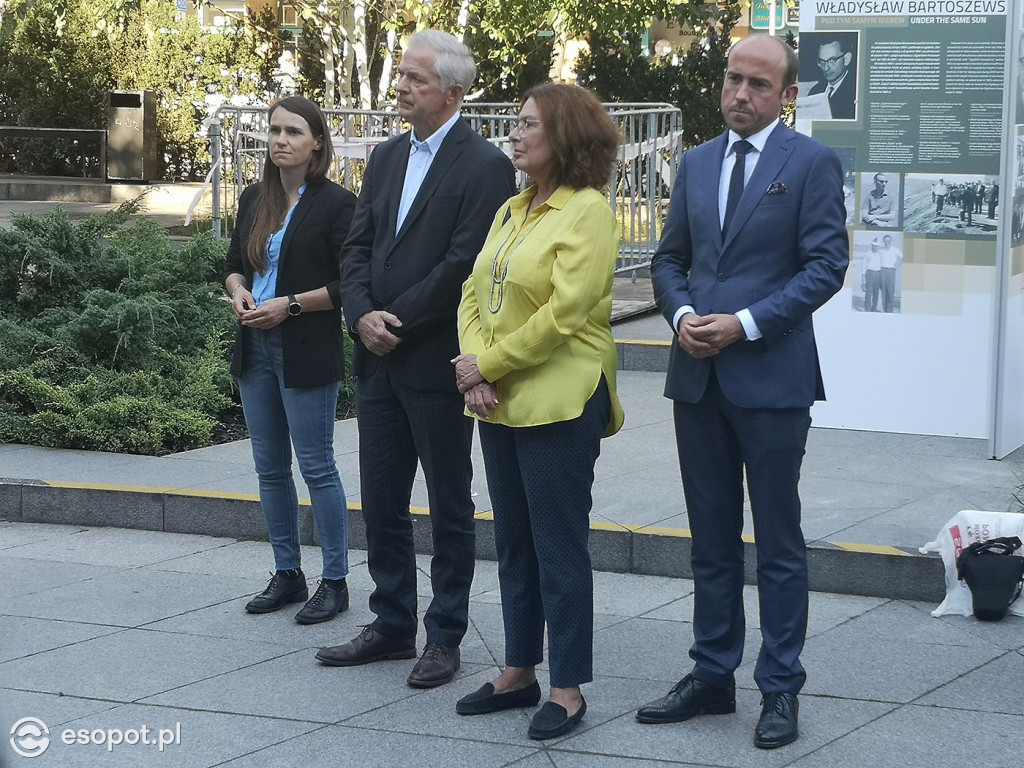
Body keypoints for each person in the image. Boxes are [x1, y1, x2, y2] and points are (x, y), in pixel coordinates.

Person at [634, 36, 848, 749]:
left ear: (786, 95)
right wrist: (682, 314)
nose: (740, 94)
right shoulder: (694, 163)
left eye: (759, 84)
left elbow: (825, 267)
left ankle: (780, 687)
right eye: (733, 80)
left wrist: (745, 323)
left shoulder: (811, 163)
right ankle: (712, 675)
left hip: (772, 381)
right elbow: (670, 259)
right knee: (710, 541)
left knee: (779, 543)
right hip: (698, 378)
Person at [316, 30, 516, 687]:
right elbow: (356, 245)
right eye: (399, 75)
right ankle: (393, 624)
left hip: (433, 360)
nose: (400, 86)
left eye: (414, 79)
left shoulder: (484, 165)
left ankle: (445, 635)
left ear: (453, 93)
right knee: (381, 502)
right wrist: (360, 314)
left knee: (449, 504)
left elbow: (464, 264)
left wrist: (393, 320)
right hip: (377, 362)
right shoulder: (385, 157)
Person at [451, 84, 625, 741]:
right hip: (498, 399)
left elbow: (566, 314)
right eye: (515, 123)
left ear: (566, 137)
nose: (514, 134)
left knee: (557, 548)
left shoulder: (587, 212)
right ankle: (518, 670)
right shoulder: (512, 207)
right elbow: (473, 291)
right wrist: (474, 368)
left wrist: (487, 365)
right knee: (515, 545)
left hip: (558, 400)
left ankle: (568, 687)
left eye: (528, 125)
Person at [222, 96, 357, 624]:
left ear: (316, 142)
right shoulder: (255, 198)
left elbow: (350, 284)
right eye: (274, 130)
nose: (280, 140)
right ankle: (286, 572)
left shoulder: (337, 204)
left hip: (304, 347)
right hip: (255, 345)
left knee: (317, 466)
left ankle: (336, 580)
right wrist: (240, 293)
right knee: (270, 468)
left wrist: (292, 304)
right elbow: (234, 265)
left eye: (293, 132)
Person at [807, 38, 855, 119]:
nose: (825, 68)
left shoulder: (856, 93)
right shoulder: (815, 91)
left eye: (832, 60)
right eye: (822, 61)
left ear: (847, 59)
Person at [879, 234, 901, 313]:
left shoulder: (895, 250)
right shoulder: (881, 251)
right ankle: (885, 308)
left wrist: (897, 265)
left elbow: (901, 257)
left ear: (890, 241)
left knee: (890, 290)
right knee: (883, 290)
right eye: (885, 241)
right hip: (882, 271)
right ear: (883, 242)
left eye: (888, 241)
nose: (887, 243)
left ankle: (890, 309)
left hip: (891, 271)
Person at [862, 237, 882, 312]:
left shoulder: (881, 254)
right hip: (869, 273)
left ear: (878, 247)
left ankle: (874, 309)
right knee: (868, 292)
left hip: (878, 274)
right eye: (874, 246)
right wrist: (863, 278)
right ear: (871, 246)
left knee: (876, 293)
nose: (875, 247)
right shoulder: (867, 254)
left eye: (877, 246)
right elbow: (863, 266)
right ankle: (867, 308)